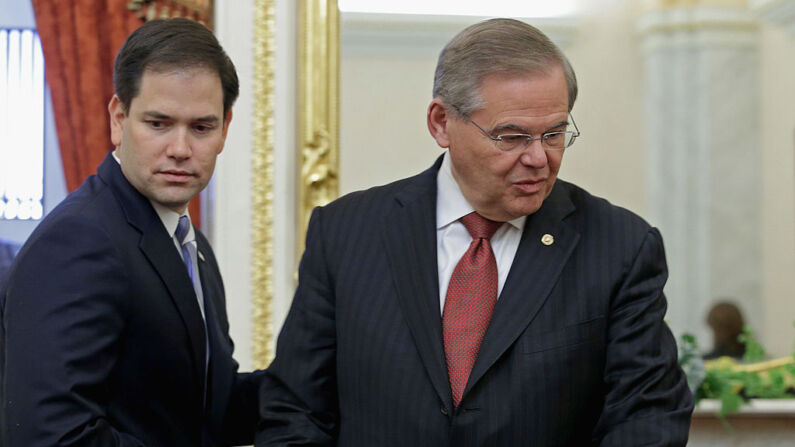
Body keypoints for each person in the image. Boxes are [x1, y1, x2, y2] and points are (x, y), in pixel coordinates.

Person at [256, 18, 693, 446]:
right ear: (441, 122)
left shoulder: (619, 246)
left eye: (555, 133)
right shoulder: (347, 233)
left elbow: (648, 416)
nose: (539, 158)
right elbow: (296, 410)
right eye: (512, 136)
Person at [1, 18, 263, 446]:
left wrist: (323, 374)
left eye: (201, 127)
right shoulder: (78, 240)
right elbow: (51, 437)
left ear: (224, 129)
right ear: (119, 118)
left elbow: (208, 410)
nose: (180, 149)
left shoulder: (190, 245)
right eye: (158, 123)